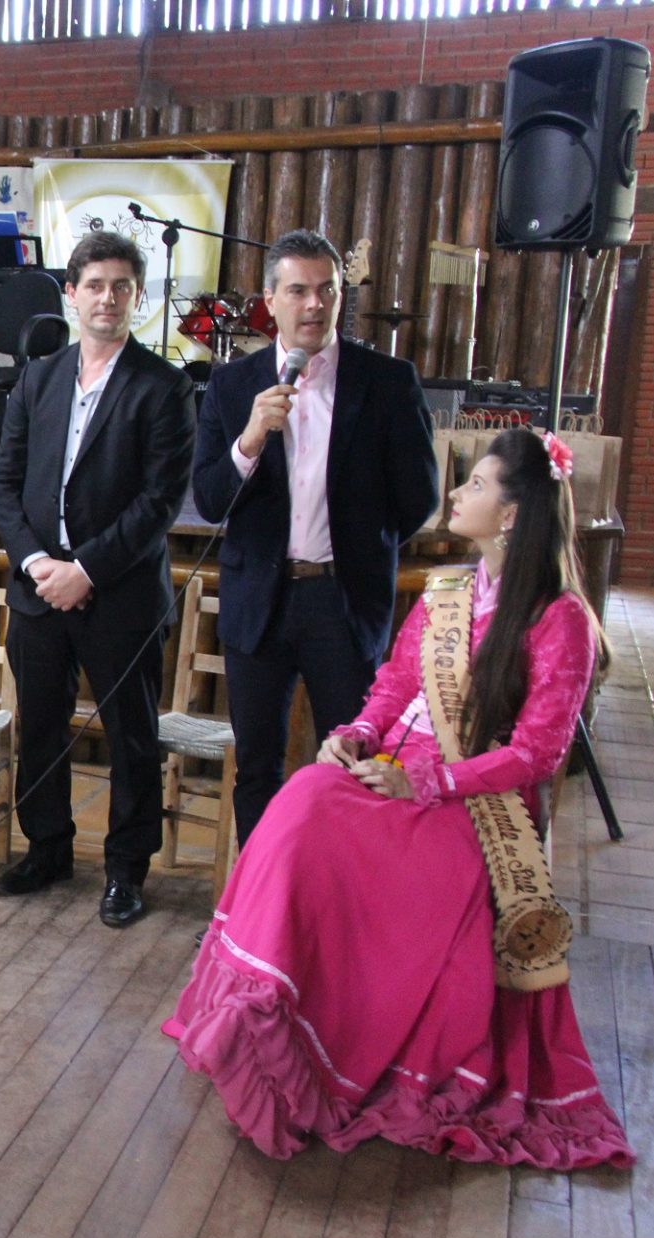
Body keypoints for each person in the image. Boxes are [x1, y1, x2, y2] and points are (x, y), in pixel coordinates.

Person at [165, 427, 633, 1170]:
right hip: (393, 772)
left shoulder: (560, 619)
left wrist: (429, 784)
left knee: (361, 844)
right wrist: (355, 733)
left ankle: (341, 1044)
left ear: (512, 514)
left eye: (475, 484)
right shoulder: (449, 591)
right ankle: (263, 1010)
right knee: (303, 800)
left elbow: (538, 756)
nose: (458, 493)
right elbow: (395, 684)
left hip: (474, 804)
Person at [192, 228, 438, 848]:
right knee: (256, 767)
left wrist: (362, 547)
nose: (314, 304)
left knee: (354, 765)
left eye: (327, 290)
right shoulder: (231, 386)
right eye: (299, 291)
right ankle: (261, 896)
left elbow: (418, 498)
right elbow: (211, 500)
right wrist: (249, 440)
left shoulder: (387, 382)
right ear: (269, 301)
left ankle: (343, 895)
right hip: (260, 601)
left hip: (342, 600)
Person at [0, 231, 194, 925]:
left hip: (120, 593)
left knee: (130, 738)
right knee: (41, 726)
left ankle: (126, 870)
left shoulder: (164, 386)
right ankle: (46, 848)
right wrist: (37, 563)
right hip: (39, 589)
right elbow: (4, 483)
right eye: (96, 285)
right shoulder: (39, 377)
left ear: (137, 298)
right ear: (71, 295)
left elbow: (159, 503)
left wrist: (87, 570)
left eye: (122, 286)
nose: (108, 297)